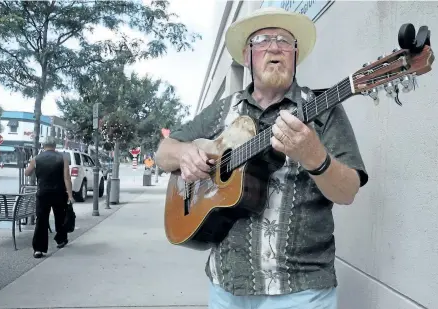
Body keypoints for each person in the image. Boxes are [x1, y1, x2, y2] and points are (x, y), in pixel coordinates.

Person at [155, 7, 369, 309]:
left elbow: (347, 192)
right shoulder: (222, 110)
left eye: (285, 42)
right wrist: (184, 153)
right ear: (247, 55)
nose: (275, 48)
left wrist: (315, 158)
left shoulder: (323, 110)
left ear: (295, 55)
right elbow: (164, 153)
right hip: (226, 287)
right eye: (264, 41)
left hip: (302, 292)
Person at [25, 136, 74, 258]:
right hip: (59, 193)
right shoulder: (63, 158)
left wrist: (32, 163)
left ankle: (38, 249)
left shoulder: (37, 158)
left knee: (41, 220)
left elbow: (27, 172)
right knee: (60, 217)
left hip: (43, 193)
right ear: (55, 145)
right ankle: (61, 239)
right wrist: (70, 195)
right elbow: (66, 178)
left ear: (43, 145)